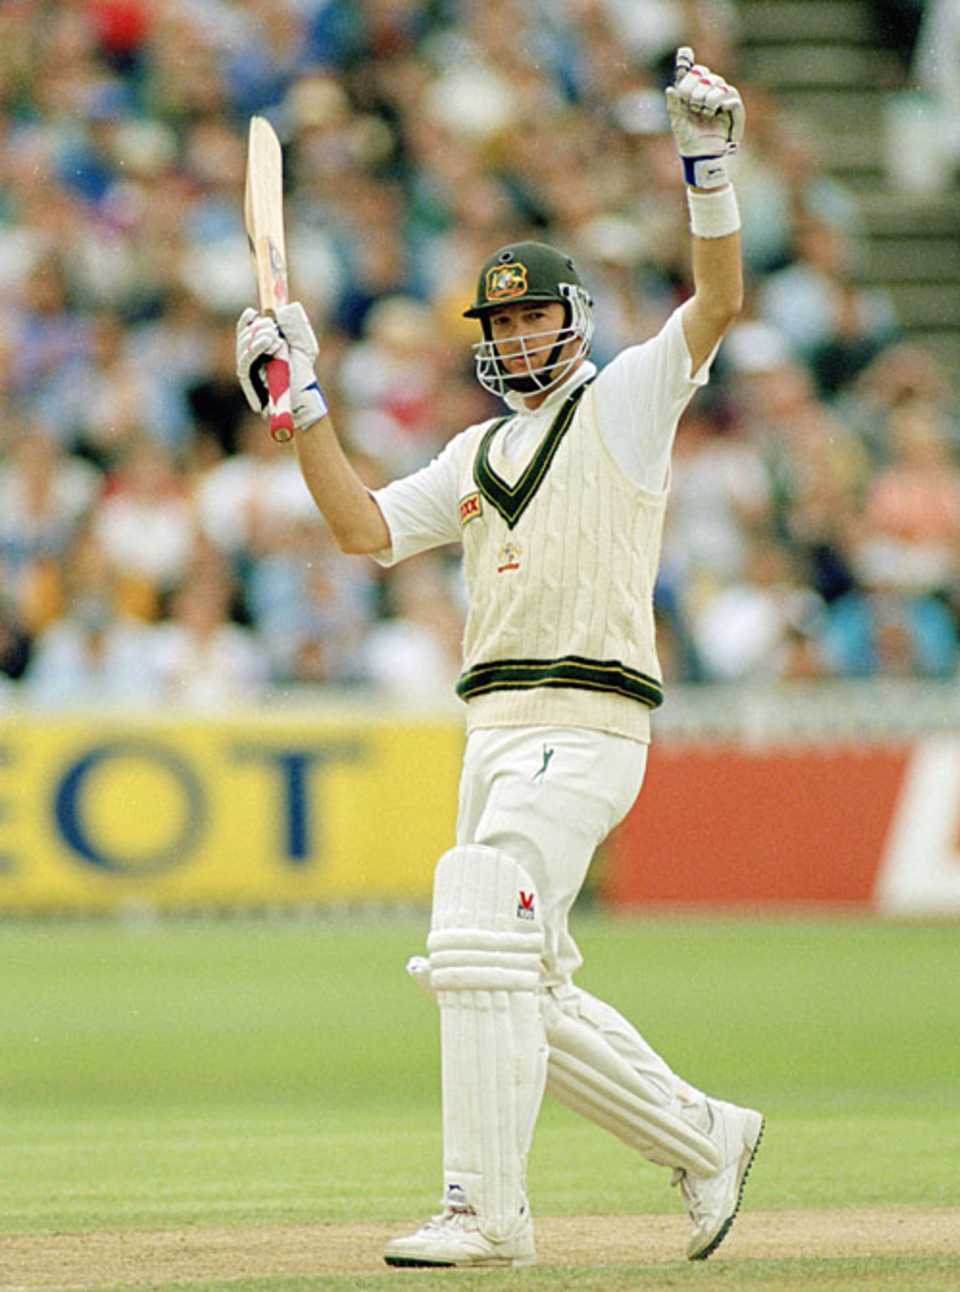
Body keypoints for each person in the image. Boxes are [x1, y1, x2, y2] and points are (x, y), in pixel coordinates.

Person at [236, 48, 763, 1268]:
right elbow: (363, 529)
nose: (521, 334)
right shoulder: (473, 455)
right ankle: (705, 1135)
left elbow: (718, 300)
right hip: (492, 729)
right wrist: (300, 403)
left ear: (573, 320)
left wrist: (707, 164)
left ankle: (486, 1209)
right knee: (511, 978)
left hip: (589, 718)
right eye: (504, 319)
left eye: (536, 314)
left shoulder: (628, 399)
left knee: (476, 920)